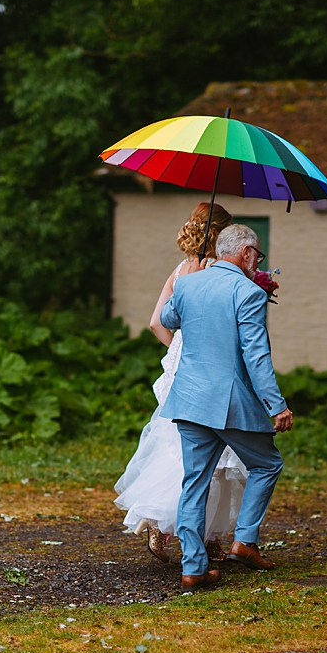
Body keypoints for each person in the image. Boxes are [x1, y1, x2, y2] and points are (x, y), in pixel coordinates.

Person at [159, 223, 294, 593]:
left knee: (194, 483)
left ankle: (193, 569)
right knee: (267, 463)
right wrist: (276, 405)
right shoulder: (247, 292)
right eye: (257, 255)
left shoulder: (188, 283)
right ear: (247, 253)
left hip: (189, 401)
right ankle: (244, 542)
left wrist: (188, 286)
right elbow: (256, 354)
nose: (257, 262)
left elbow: (168, 320)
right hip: (229, 402)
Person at [113, 202, 248, 565]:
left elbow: (157, 323)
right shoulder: (219, 273)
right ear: (220, 235)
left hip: (181, 367)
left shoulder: (180, 270)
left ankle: (196, 532)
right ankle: (195, 533)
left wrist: (180, 351)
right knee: (213, 452)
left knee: (177, 446)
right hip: (211, 368)